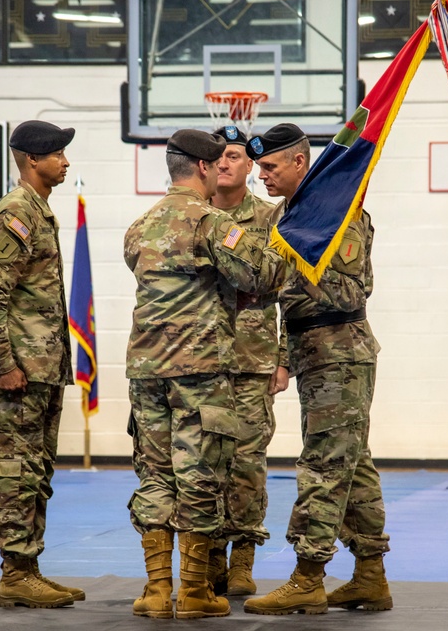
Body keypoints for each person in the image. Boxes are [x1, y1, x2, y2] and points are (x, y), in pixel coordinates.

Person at [124, 129, 287, 620]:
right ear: (202, 168)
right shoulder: (212, 224)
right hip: (198, 372)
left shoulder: (140, 225)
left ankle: (156, 591)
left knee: (154, 475)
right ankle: (194, 592)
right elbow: (263, 276)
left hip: (144, 369)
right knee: (199, 476)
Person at [241, 124, 392, 615]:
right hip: (315, 351)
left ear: (300, 163)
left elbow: (348, 291)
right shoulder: (292, 214)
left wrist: (281, 271)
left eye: (270, 167)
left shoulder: (336, 214)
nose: (260, 176)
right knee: (353, 462)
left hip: (340, 350)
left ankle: (308, 575)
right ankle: (371, 574)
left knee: (325, 464)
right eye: (260, 167)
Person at [0, 120, 82, 609]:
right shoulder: (15, 213)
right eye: (57, 153)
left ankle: (28, 567)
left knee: (37, 469)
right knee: (18, 469)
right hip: (21, 369)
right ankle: (15, 572)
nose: (65, 161)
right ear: (32, 161)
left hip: (43, 366)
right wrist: (2, 363)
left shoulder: (38, 211)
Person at [206, 126, 289, 597]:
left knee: (247, 464)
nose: (225, 163)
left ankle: (242, 559)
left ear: (249, 166)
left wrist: (283, 360)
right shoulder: (191, 215)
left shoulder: (269, 217)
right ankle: (210, 558)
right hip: (198, 360)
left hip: (253, 359)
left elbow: (286, 290)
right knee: (205, 464)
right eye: (218, 155)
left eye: (235, 155)